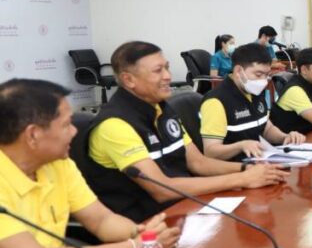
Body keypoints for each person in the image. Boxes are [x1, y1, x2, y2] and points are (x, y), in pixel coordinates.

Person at [0, 79, 180, 248]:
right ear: (33, 135)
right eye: (66, 125)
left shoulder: (58, 164)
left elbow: (102, 220)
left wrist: (144, 235)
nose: (74, 131)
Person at [81, 41, 288, 222]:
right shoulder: (114, 125)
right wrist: (242, 179)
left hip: (183, 209)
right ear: (128, 80)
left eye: (167, 68)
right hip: (144, 225)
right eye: (158, 71)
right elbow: (162, 189)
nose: (168, 76)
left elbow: (199, 163)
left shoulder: (162, 110)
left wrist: (248, 170)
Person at [199, 43, 307, 161]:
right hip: (233, 167)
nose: (263, 81)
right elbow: (210, 152)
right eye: (258, 74)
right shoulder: (216, 101)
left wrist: (285, 137)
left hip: (258, 161)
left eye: (266, 75)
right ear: (238, 71)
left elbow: (266, 128)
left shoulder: (255, 91)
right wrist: (241, 146)